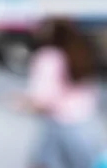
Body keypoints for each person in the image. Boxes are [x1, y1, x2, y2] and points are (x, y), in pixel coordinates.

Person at [14, 18, 106, 168]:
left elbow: (42, 100)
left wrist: (21, 102)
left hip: (61, 128)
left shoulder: (48, 56)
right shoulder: (81, 51)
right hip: (89, 126)